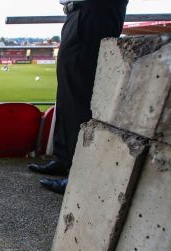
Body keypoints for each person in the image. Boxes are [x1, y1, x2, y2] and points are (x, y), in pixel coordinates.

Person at [28, 0, 128, 194]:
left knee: (80, 92)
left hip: (94, 10)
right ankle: (63, 159)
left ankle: (77, 172)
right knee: (67, 92)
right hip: (78, 13)